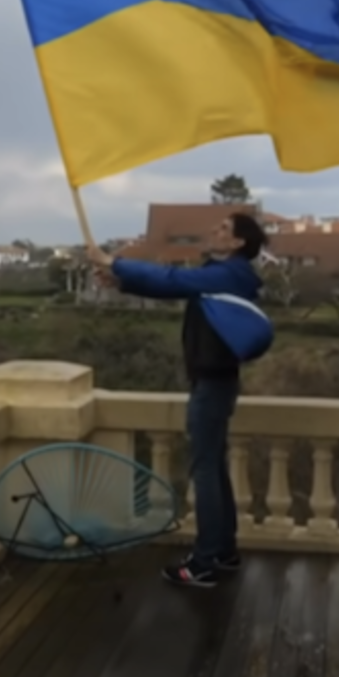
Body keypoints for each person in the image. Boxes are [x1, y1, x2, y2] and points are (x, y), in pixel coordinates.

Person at [87, 212, 273, 587]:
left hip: (212, 384)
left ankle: (203, 563)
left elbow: (174, 277)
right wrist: (121, 282)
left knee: (204, 471)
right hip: (214, 381)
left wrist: (114, 260)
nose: (214, 230)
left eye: (222, 228)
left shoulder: (232, 273)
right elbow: (173, 287)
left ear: (238, 243)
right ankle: (223, 550)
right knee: (213, 467)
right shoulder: (221, 273)